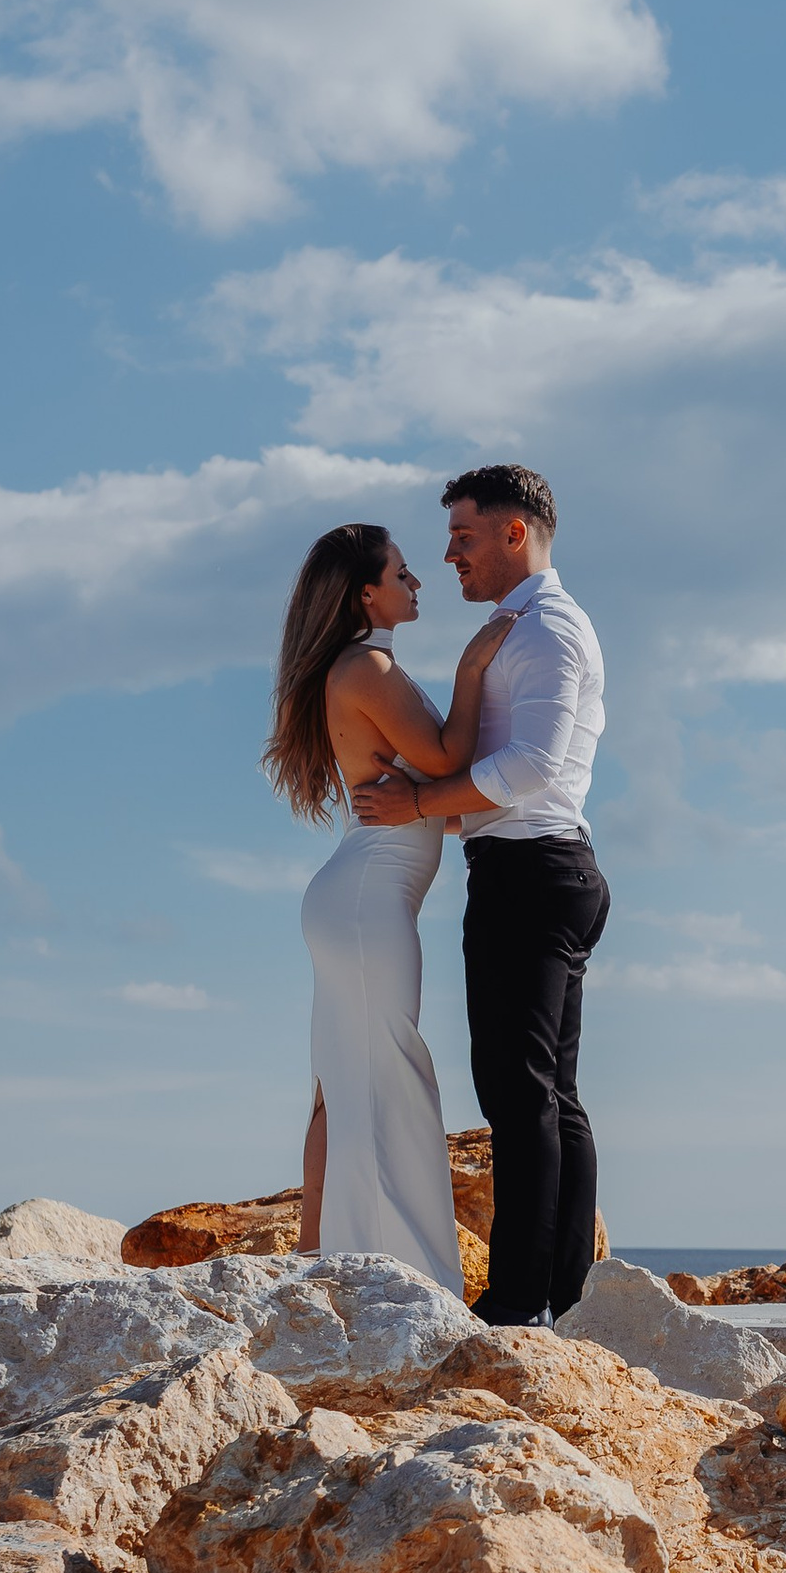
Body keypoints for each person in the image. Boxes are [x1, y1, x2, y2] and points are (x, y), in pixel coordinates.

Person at [354, 464, 608, 1326]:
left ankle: (519, 1304)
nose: (450, 556)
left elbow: (531, 768)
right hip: (535, 865)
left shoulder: (547, 631)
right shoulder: (521, 627)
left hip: (533, 876)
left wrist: (420, 804)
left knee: (518, 1095)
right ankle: (564, 1299)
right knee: (546, 1093)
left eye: (463, 537)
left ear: (513, 533)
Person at [262, 520, 511, 1294]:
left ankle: (324, 1269)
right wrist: (473, 669)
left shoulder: (361, 664)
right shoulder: (366, 665)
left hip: (355, 898)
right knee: (393, 1077)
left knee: (345, 1083)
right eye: (403, 574)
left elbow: (433, 778)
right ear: (366, 592)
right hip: (369, 902)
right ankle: (410, 1281)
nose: (417, 583)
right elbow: (444, 760)